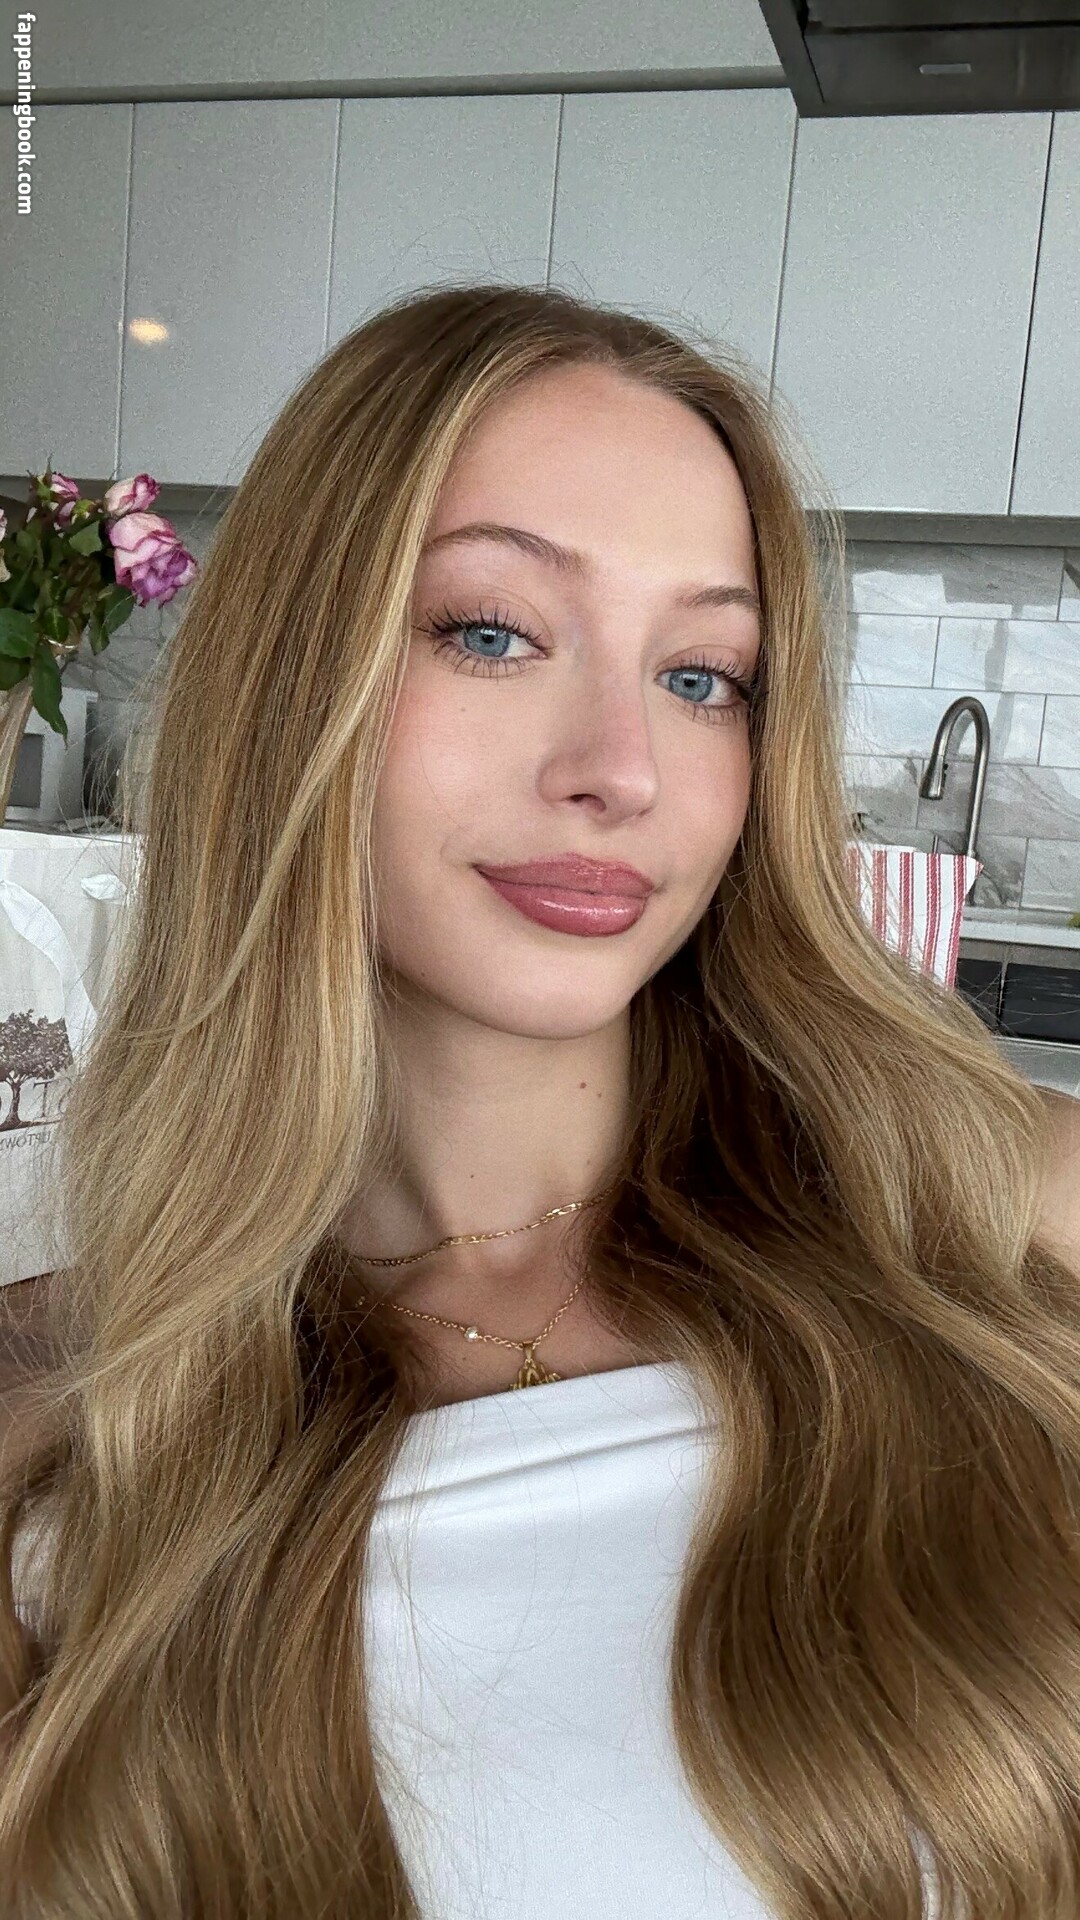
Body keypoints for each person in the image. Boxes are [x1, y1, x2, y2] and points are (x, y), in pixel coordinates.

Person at [2, 282, 1080, 1920]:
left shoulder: (1001, 1221)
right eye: (492, 633)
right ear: (287, 679)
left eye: (704, 676)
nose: (623, 769)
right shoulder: (73, 1415)